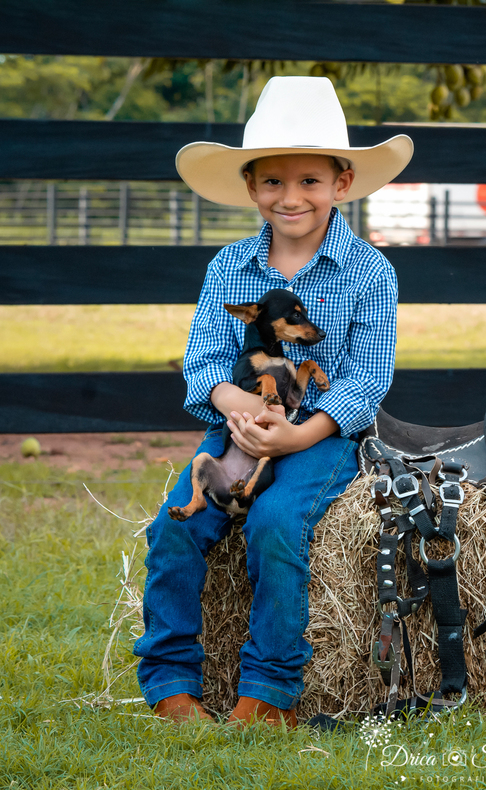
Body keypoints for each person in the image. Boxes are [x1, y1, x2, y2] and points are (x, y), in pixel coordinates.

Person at [134, 76, 413, 727]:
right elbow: (203, 363)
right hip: (237, 431)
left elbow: (367, 378)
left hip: (321, 438)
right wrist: (239, 407)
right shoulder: (229, 266)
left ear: (342, 182)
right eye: (273, 182)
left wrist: (296, 434)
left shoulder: (370, 271)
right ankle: (171, 681)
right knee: (175, 527)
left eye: (309, 180)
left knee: (277, 524)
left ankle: (268, 691)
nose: (290, 197)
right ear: (251, 187)